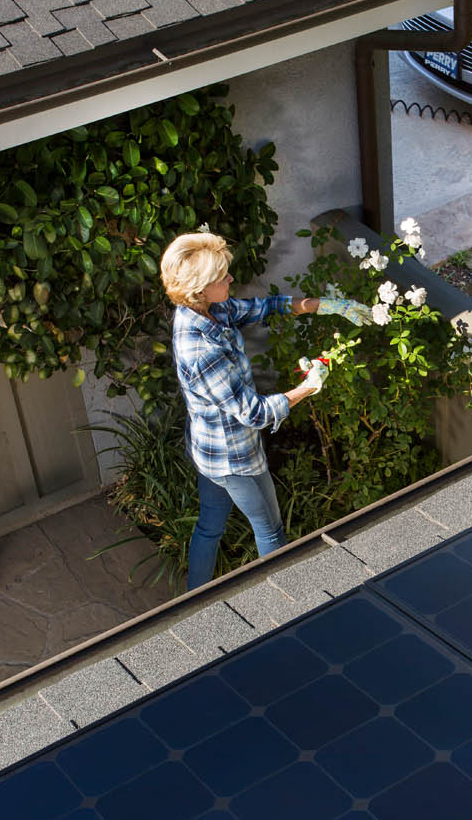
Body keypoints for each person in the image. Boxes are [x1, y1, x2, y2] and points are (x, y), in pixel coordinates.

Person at [159, 231, 372, 590]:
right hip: (235, 458)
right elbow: (254, 414)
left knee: (210, 525)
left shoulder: (207, 311)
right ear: (199, 288)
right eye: (222, 277)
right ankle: (289, 607)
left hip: (207, 449)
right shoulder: (201, 351)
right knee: (271, 532)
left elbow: (267, 307)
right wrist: (309, 386)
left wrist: (330, 304)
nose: (230, 279)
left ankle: (191, 602)